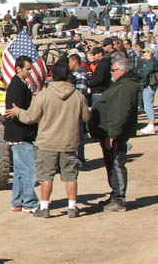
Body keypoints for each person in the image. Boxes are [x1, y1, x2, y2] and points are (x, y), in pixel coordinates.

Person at [6, 60, 91, 218]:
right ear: (69, 76)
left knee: (46, 177)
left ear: (52, 75)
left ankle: (44, 207)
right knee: (70, 177)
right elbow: (86, 117)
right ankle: (72, 207)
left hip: (48, 142)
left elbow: (31, 117)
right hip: (69, 142)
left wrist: (17, 112)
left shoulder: (44, 95)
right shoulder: (78, 96)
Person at [88, 52, 140, 212]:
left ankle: (119, 198)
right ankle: (115, 194)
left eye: (113, 70)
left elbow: (119, 113)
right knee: (111, 164)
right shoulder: (121, 85)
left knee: (117, 164)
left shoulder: (125, 87)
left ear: (122, 71)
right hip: (108, 131)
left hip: (115, 134)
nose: (111, 73)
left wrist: (112, 134)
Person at [4, 55, 39, 212]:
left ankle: (17, 201)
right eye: (28, 69)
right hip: (21, 134)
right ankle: (29, 202)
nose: (30, 72)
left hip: (17, 134)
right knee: (28, 170)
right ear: (18, 68)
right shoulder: (17, 86)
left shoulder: (19, 85)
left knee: (19, 171)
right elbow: (15, 111)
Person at [68, 51, 90, 163]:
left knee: (78, 134)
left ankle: (79, 158)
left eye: (70, 62)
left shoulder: (80, 75)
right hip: (76, 108)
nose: (69, 64)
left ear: (75, 61)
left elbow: (81, 93)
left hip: (77, 109)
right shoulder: (76, 74)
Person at [138, 47, 158, 135]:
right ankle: (150, 124)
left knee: (148, 104)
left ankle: (151, 124)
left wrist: (142, 84)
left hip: (149, 85)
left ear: (150, 53)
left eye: (145, 52)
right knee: (148, 104)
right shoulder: (149, 62)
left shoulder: (151, 63)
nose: (143, 54)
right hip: (148, 84)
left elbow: (146, 73)